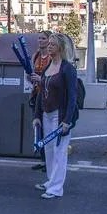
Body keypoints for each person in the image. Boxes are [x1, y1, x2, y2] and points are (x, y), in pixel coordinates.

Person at [29, 34, 79, 199]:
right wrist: (37, 115)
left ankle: (56, 188)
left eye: (53, 44)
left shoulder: (68, 69)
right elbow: (40, 92)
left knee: (60, 151)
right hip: (46, 113)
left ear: (60, 48)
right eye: (48, 44)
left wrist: (67, 121)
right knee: (49, 150)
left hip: (60, 115)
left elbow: (73, 97)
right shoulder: (47, 68)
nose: (49, 47)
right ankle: (51, 181)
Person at [27, 31, 55, 173]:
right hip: (36, 95)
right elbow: (30, 76)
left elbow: (54, 78)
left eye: (43, 38)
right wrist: (30, 78)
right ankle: (44, 159)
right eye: (39, 38)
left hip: (48, 96)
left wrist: (41, 80)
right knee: (39, 128)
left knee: (48, 129)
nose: (40, 41)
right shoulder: (36, 56)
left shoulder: (52, 57)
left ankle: (50, 161)